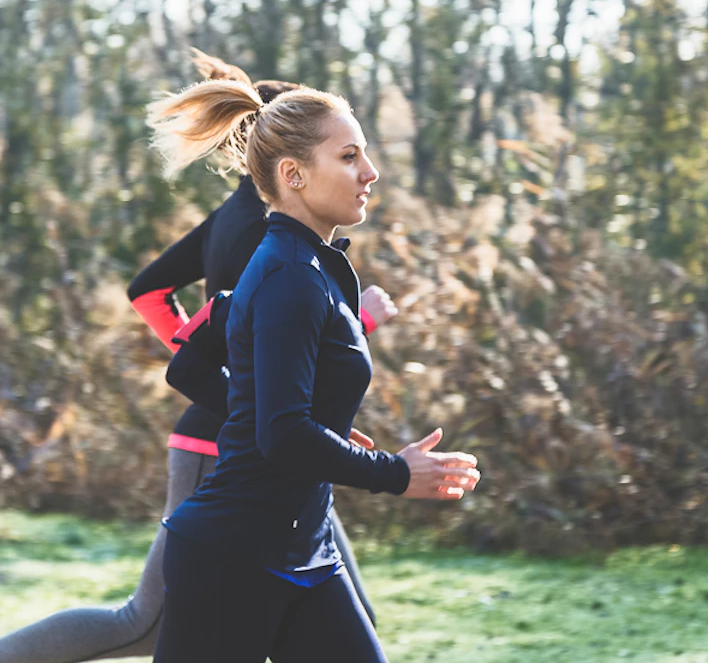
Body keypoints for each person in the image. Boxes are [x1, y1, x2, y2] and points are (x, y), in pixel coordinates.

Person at [0, 55, 395, 663]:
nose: (363, 170)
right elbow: (263, 345)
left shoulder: (234, 220)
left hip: (262, 446)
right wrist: (352, 331)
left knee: (340, 611)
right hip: (225, 443)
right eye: (345, 152)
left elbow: (157, 300)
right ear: (289, 163)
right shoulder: (273, 239)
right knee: (145, 620)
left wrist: (255, 381)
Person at [145, 80, 482, 662]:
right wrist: (394, 473)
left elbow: (193, 366)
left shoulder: (311, 266)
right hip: (232, 556)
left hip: (305, 548)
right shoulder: (286, 274)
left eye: (365, 154)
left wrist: (287, 417)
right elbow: (279, 434)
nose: (370, 172)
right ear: (294, 175)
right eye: (349, 157)